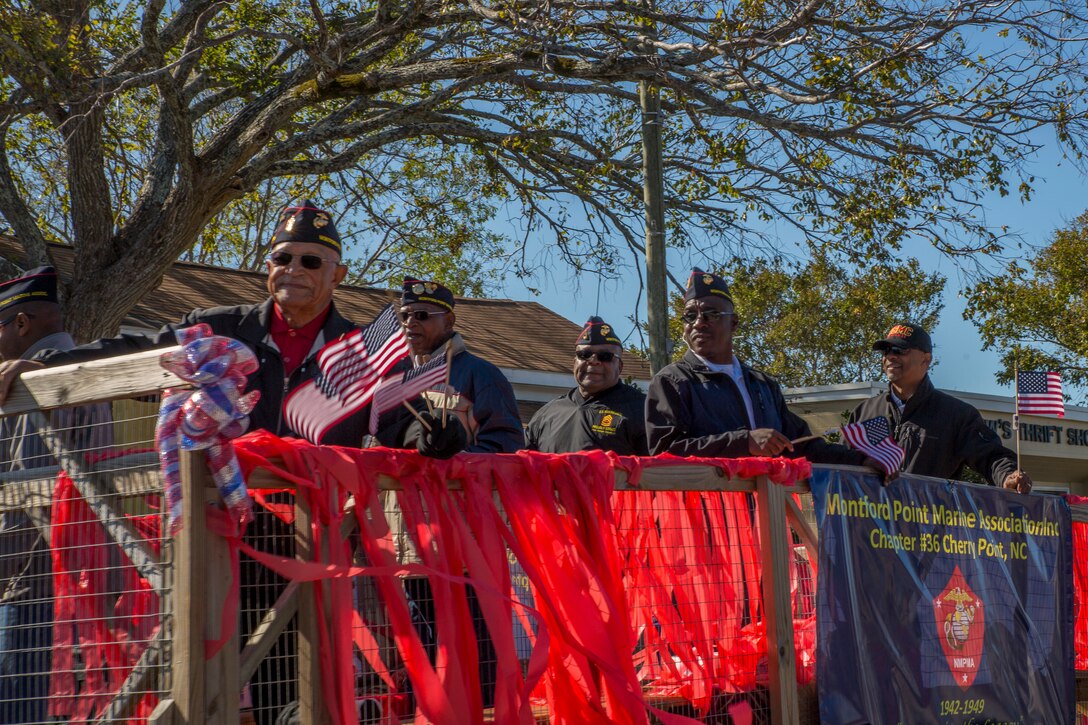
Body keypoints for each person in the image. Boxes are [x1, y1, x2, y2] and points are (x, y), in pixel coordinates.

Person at [0, 266, 112, 723]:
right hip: (73, 583)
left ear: (21, 324)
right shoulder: (71, 371)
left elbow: (25, 503)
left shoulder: (32, 384)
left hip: (29, 589)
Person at [646, 268, 870, 466]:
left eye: (711, 314)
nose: (698, 322)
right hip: (707, 510)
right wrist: (744, 442)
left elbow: (800, 446)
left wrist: (863, 460)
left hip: (764, 507)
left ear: (733, 323)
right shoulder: (672, 381)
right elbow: (664, 452)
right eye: (690, 316)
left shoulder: (762, 384)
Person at [850, 322, 1032, 493]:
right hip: (870, 523)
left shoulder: (956, 414)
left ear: (926, 359)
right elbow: (842, 467)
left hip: (926, 523)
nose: (890, 356)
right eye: (886, 351)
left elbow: (992, 456)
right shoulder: (863, 412)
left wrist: (1009, 476)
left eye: (900, 350)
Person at [397, 277, 524, 453]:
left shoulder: (482, 375)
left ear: (449, 322)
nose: (409, 323)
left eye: (422, 315)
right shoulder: (395, 375)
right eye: (404, 315)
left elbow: (504, 450)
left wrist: (450, 459)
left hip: (449, 480)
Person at [526, 316, 647, 455]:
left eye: (605, 356)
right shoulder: (546, 413)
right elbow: (523, 468)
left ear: (619, 366)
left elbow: (658, 471)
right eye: (585, 354)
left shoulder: (643, 410)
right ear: (574, 362)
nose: (593, 361)